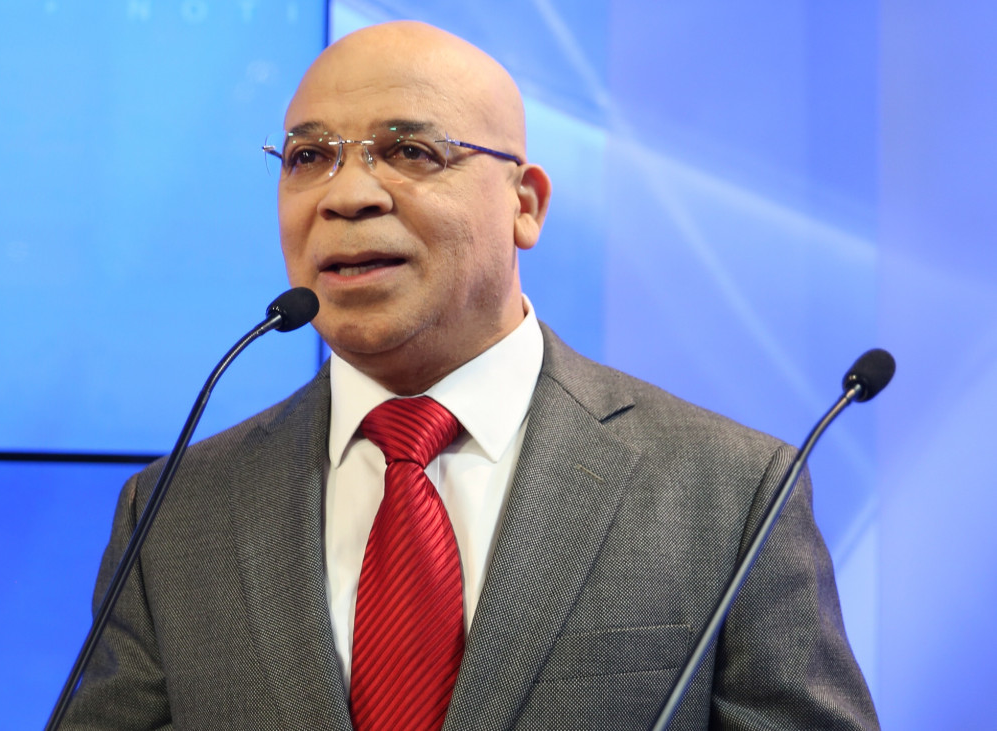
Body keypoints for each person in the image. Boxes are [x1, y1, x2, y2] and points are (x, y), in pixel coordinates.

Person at [63, 21, 878, 731]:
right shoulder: (174, 512)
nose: (346, 195)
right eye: (309, 156)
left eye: (409, 151)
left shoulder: (731, 491)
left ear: (525, 204)